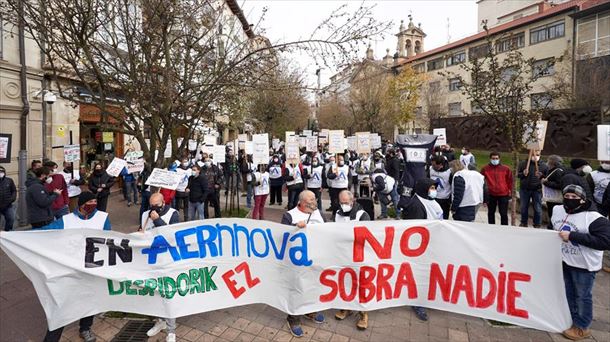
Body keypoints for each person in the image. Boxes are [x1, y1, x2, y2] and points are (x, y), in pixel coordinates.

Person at [39, 191, 109, 342]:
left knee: (89, 300)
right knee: (62, 304)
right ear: (82, 204)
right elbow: (47, 231)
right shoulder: (67, 220)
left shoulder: (103, 218)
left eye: (95, 201)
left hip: (92, 268)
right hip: (71, 269)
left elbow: (111, 240)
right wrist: (13, 235)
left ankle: (85, 328)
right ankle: (51, 338)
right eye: (90, 202)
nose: (94, 204)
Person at [549, 185, 610, 341]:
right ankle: (571, 320)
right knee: (569, 293)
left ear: (583, 200)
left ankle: (582, 327)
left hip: (584, 265)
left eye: (574, 198)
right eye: (566, 197)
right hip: (565, 261)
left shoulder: (595, 218)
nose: (569, 200)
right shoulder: (557, 210)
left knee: (582, 296)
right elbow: (552, 227)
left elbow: (605, 241)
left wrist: (573, 236)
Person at [280, 190, 325, 337]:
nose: (316, 201)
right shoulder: (290, 216)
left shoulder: (318, 213)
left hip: (315, 258)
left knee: (314, 285)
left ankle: (310, 310)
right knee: (297, 288)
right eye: (312, 199)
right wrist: (294, 229)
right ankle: (293, 318)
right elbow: (282, 237)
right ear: (303, 203)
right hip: (297, 262)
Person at [401, 178, 444, 322]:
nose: (434, 190)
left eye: (434, 187)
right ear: (424, 189)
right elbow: (415, 231)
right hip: (421, 248)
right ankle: (417, 302)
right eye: (431, 188)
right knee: (420, 274)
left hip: (434, 244)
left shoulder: (432, 203)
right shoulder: (415, 205)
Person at [141, 193, 178, 342]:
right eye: (151, 205)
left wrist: (158, 221)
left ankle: (171, 330)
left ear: (163, 202)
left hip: (168, 261)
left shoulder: (172, 213)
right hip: (151, 260)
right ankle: (160, 321)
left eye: (157, 204)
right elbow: (143, 233)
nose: (153, 207)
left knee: (168, 295)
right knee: (155, 293)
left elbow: (172, 236)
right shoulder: (145, 214)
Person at [333, 190, 370, 329]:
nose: (343, 205)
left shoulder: (362, 215)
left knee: (361, 284)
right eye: (341, 202)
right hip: (342, 254)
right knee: (345, 282)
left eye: (346, 202)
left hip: (358, 255)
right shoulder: (337, 213)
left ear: (352, 201)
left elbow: (366, 237)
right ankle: (346, 307)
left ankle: (363, 313)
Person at [480, 152, 513, 225]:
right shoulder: (485, 169)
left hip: (503, 194)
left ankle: (504, 228)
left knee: (503, 213)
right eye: (493, 158)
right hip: (490, 194)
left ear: (499, 159)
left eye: (496, 158)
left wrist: (511, 193)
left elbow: (510, 181)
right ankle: (491, 227)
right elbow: (481, 181)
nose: (495, 160)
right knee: (491, 212)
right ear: (490, 159)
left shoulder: (506, 169)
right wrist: (483, 195)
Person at [517, 150, 548, 227]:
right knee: (524, 207)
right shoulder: (523, 164)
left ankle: (537, 224)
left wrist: (541, 176)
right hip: (525, 189)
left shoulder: (544, 166)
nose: (535, 157)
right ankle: (523, 222)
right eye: (534, 155)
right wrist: (523, 174)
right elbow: (517, 174)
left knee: (537, 208)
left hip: (537, 190)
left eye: (537, 155)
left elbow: (546, 177)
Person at [542, 155, 566, 221]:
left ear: (552, 162)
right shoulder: (553, 170)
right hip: (552, 199)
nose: (546, 163)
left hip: (555, 199)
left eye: (548, 161)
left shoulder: (558, 171)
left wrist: (546, 183)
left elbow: (559, 184)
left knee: (553, 214)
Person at [429, 155, 452, 219]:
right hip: (432, 197)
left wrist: (450, 200)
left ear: (440, 164)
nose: (432, 166)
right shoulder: (430, 169)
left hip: (444, 199)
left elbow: (452, 186)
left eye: (434, 165)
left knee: (443, 218)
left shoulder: (449, 172)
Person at [0, 166, 17, 231]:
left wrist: (12, 199)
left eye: (2, 171)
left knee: (11, 218)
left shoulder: (9, 180)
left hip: (7, 205)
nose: (1, 173)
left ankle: (8, 231)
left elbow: (14, 190)